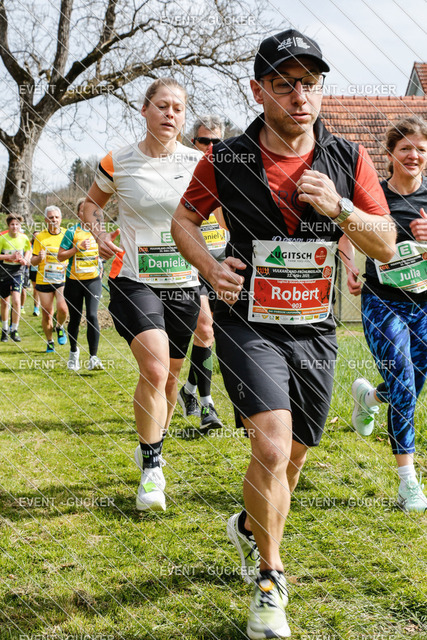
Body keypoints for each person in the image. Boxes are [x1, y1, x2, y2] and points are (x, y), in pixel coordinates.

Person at [172, 28, 396, 640]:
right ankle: (271, 578)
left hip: (315, 329)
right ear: (258, 90)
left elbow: (385, 243)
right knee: (270, 447)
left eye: (310, 83)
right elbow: (183, 220)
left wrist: (341, 209)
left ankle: (249, 526)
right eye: (284, 84)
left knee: (293, 456)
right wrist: (208, 266)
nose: (300, 96)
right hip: (248, 321)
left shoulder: (348, 158)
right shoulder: (227, 158)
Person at [82, 77, 203, 512]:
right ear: (145, 110)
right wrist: (98, 234)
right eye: (162, 105)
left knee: (170, 377)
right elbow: (90, 205)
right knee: (154, 367)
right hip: (134, 278)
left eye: (178, 108)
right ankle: (152, 471)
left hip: (184, 282)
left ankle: (151, 444)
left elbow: (222, 215)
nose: (171, 114)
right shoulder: (118, 161)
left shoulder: (199, 162)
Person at [349, 116, 427, 513]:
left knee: (410, 384)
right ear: (390, 153)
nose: (413, 155)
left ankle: (368, 396)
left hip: (424, 304)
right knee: (404, 382)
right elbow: (346, 229)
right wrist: (348, 263)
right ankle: (407, 481)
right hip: (383, 301)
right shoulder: (373, 195)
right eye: (405, 148)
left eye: (421, 149)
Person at [177, 114, 226, 430]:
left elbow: (228, 220)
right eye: (204, 141)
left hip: (222, 264)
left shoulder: (229, 172)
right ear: (192, 142)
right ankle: (208, 407)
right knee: (205, 329)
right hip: (191, 263)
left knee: (210, 335)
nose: (210, 147)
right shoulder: (182, 172)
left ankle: (189, 390)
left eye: (216, 142)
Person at [58, 198, 104, 372]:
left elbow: (103, 252)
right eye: (83, 210)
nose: (87, 213)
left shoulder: (99, 231)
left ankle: (93, 358)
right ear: (78, 214)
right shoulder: (72, 232)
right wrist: (76, 248)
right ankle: (73, 353)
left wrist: (101, 264)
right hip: (74, 281)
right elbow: (60, 256)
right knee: (75, 318)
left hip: (93, 280)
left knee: (92, 315)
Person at [31, 206, 68, 353]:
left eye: (56, 217)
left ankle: (59, 326)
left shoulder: (67, 234)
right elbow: (33, 261)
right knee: (47, 314)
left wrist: (68, 263)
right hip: (44, 279)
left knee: (63, 308)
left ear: (61, 219)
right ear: (46, 220)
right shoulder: (40, 237)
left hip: (61, 278)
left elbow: (72, 254)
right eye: (51, 217)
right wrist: (39, 258)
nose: (54, 220)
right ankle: (50, 341)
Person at [0, 214, 31, 342]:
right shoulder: (2, 238)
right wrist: (9, 257)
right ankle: (5, 329)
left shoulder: (24, 238)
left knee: (17, 301)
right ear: (8, 225)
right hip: (3, 272)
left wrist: (25, 259)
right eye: (12, 224)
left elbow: (28, 250)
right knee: (4, 302)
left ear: (20, 226)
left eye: (17, 224)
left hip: (17, 272)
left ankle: (14, 330)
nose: (15, 227)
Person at [29, 231, 41, 316]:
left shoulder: (43, 245)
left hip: (43, 270)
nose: (36, 238)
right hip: (33, 270)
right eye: (35, 236)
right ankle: (36, 308)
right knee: (36, 289)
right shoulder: (31, 246)